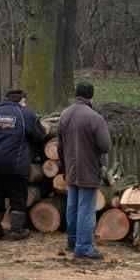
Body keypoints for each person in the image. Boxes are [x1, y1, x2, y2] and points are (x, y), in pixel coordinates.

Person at [0, 88, 46, 241]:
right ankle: (16, 230)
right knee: (18, 196)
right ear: (21, 100)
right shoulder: (25, 114)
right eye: (24, 101)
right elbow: (40, 135)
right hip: (16, 164)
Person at [57, 81, 111, 260]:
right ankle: (84, 247)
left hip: (71, 168)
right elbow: (105, 146)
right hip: (88, 168)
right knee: (86, 209)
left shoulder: (64, 114)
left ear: (76, 94)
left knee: (72, 206)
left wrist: (64, 167)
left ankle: (72, 241)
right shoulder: (95, 117)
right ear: (91, 96)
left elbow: (60, 145)